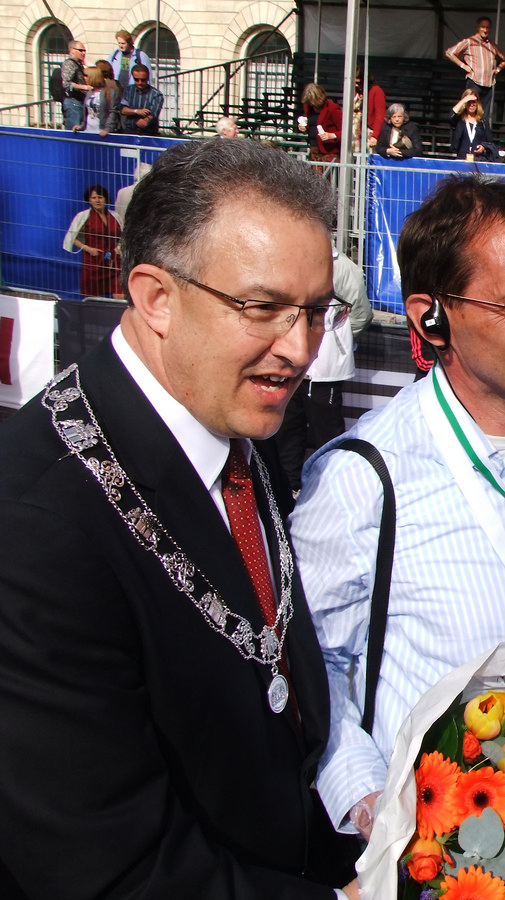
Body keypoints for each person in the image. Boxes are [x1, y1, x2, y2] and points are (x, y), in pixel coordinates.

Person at [0, 137, 359, 898]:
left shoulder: (227, 415)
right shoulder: (35, 525)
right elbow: (107, 868)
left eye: (314, 311)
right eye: (262, 308)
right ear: (156, 298)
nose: (299, 348)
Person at [289, 174, 505, 842]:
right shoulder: (360, 481)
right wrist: (372, 803)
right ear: (432, 316)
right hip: (446, 855)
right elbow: (314, 669)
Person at [276, 246, 374, 492]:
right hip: (292, 364)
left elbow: (361, 314)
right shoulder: (286, 256)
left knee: (326, 434)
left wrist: (337, 341)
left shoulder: (343, 267)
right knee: (287, 430)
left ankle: (330, 489)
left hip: (325, 371)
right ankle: (288, 489)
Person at [63, 183, 123, 298]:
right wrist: (88, 249)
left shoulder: (115, 216)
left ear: (105, 199)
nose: (97, 200)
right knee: (94, 297)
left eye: (100, 197)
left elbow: (124, 236)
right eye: (94, 197)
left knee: (120, 295)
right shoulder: (83, 216)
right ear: (89, 200)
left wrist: (119, 247)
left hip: (113, 263)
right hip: (93, 262)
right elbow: (72, 238)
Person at [444, 16, 505, 119]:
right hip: (474, 81)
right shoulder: (470, 41)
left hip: (488, 84)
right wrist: (463, 66)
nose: (485, 30)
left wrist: (497, 70)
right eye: (483, 27)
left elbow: (504, 60)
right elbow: (449, 53)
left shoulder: (492, 45)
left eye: (487, 27)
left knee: (484, 115)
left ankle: (481, 129)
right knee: (469, 111)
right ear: (478, 28)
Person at [448, 89, 497, 160]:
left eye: (474, 102)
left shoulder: (482, 122)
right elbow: (450, 117)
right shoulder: (460, 121)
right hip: (462, 159)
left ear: (477, 103)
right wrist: (463, 100)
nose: (471, 104)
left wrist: (483, 147)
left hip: (478, 161)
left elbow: (491, 142)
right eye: (469, 102)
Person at [299, 83, 342, 163]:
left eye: (313, 102)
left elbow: (345, 131)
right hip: (314, 150)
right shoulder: (309, 107)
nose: (312, 104)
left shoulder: (333, 108)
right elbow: (311, 125)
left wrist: (331, 135)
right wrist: (304, 127)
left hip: (329, 152)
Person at [118, 64, 164, 135]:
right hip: (130, 130)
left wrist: (146, 120)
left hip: (148, 132)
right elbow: (123, 110)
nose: (140, 83)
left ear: (148, 78)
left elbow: (154, 113)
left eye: (143, 80)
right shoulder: (128, 90)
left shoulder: (156, 94)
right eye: (136, 80)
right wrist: (137, 111)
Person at [74, 67, 117, 137]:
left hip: (101, 132)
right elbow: (87, 112)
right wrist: (81, 126)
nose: (84, 78)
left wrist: (108, 129)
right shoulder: (89, 92)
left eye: (86, 76)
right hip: (88, 131)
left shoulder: (109, 92)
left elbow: (113, 112)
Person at [57, 40, 89, 131]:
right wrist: (85, 87)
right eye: (80, 50)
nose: (83, 53)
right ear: (72, 50)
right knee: (75, 131)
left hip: (80, 102)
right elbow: (66, 84)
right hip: (73, 103)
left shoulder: (79, 64)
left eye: (84, 51)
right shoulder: (69, 63)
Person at [352, 67, 386, 146]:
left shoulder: (376, 91)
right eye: (354, 82)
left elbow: (380, 116)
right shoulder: (355, 91)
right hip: (354, 131)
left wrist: (375, 135)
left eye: (359, 82)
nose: (356, 85)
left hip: (368, 131)